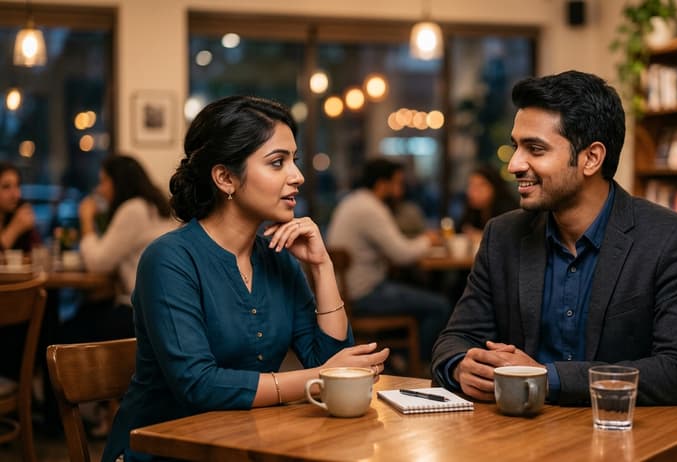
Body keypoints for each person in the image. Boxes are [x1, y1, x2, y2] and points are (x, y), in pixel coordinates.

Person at [103, 96, 389, 462]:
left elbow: (332, 368)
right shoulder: (169, 259)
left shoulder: (277, 257)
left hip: (244, 444)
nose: (297, 176)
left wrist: (322, 267)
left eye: (293, 160)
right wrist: (315, 377)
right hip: (161, 450)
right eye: (277, 162)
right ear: (225, 178)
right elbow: (198, 385)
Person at [432, 71, 677, 409]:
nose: (515, 165)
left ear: (591, 158)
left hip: (630, 441)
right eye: (516, 147)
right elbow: (453, 341)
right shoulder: (502, 235)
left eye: (535, 148)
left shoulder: (671, 239)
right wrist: (461, 366)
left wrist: (545, 378)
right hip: (524, 444)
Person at [327, 158, 452, 366]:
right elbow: (402, 254)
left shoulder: (353, 201)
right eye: (397, 183)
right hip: (363, 295)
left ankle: (400, 356)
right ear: (382, 183)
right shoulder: (371, 209)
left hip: (346, 292)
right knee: (440, 305)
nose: (400, 189)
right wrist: (427, 240)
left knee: (417, 293)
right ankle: (416, 364)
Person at [61, 155, 179, 342]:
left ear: (119, 182)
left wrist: (86, 218)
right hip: (163, 309)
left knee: (64, 332)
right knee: (86, 312)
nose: (100, 189)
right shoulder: (153, 207)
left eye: (104, 181)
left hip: (142, 313)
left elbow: (97, 263)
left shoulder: (134, 210)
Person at [457, 164, 518, 240]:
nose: (471, 191)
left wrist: (481, 236)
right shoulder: (472, 210)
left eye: (480, 186)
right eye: (470, 185)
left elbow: (510, 240)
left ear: (494, 187)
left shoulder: (508, 211)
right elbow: (459, 230)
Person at [0, 162, 39, 252]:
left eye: (17, 186)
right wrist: (14, 229)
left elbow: (37, 252)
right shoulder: (17, 221)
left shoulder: (18, 213)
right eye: (6, 187)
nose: (16, 195)